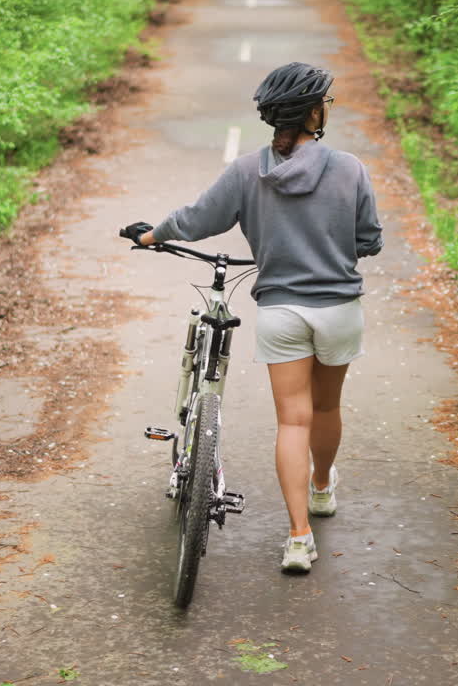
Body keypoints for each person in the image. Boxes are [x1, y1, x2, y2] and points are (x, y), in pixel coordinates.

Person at [122, 62, 383, 573]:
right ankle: (323, 488)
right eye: (324, 103)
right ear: (313, 114)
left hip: (281, 312)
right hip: (338, 310)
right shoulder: (350, 168)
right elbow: (369, 240)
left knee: (292, 420)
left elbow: (196, 219)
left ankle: (298, 538)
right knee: (326, 411)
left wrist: (152, 235)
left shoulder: (246, 172)